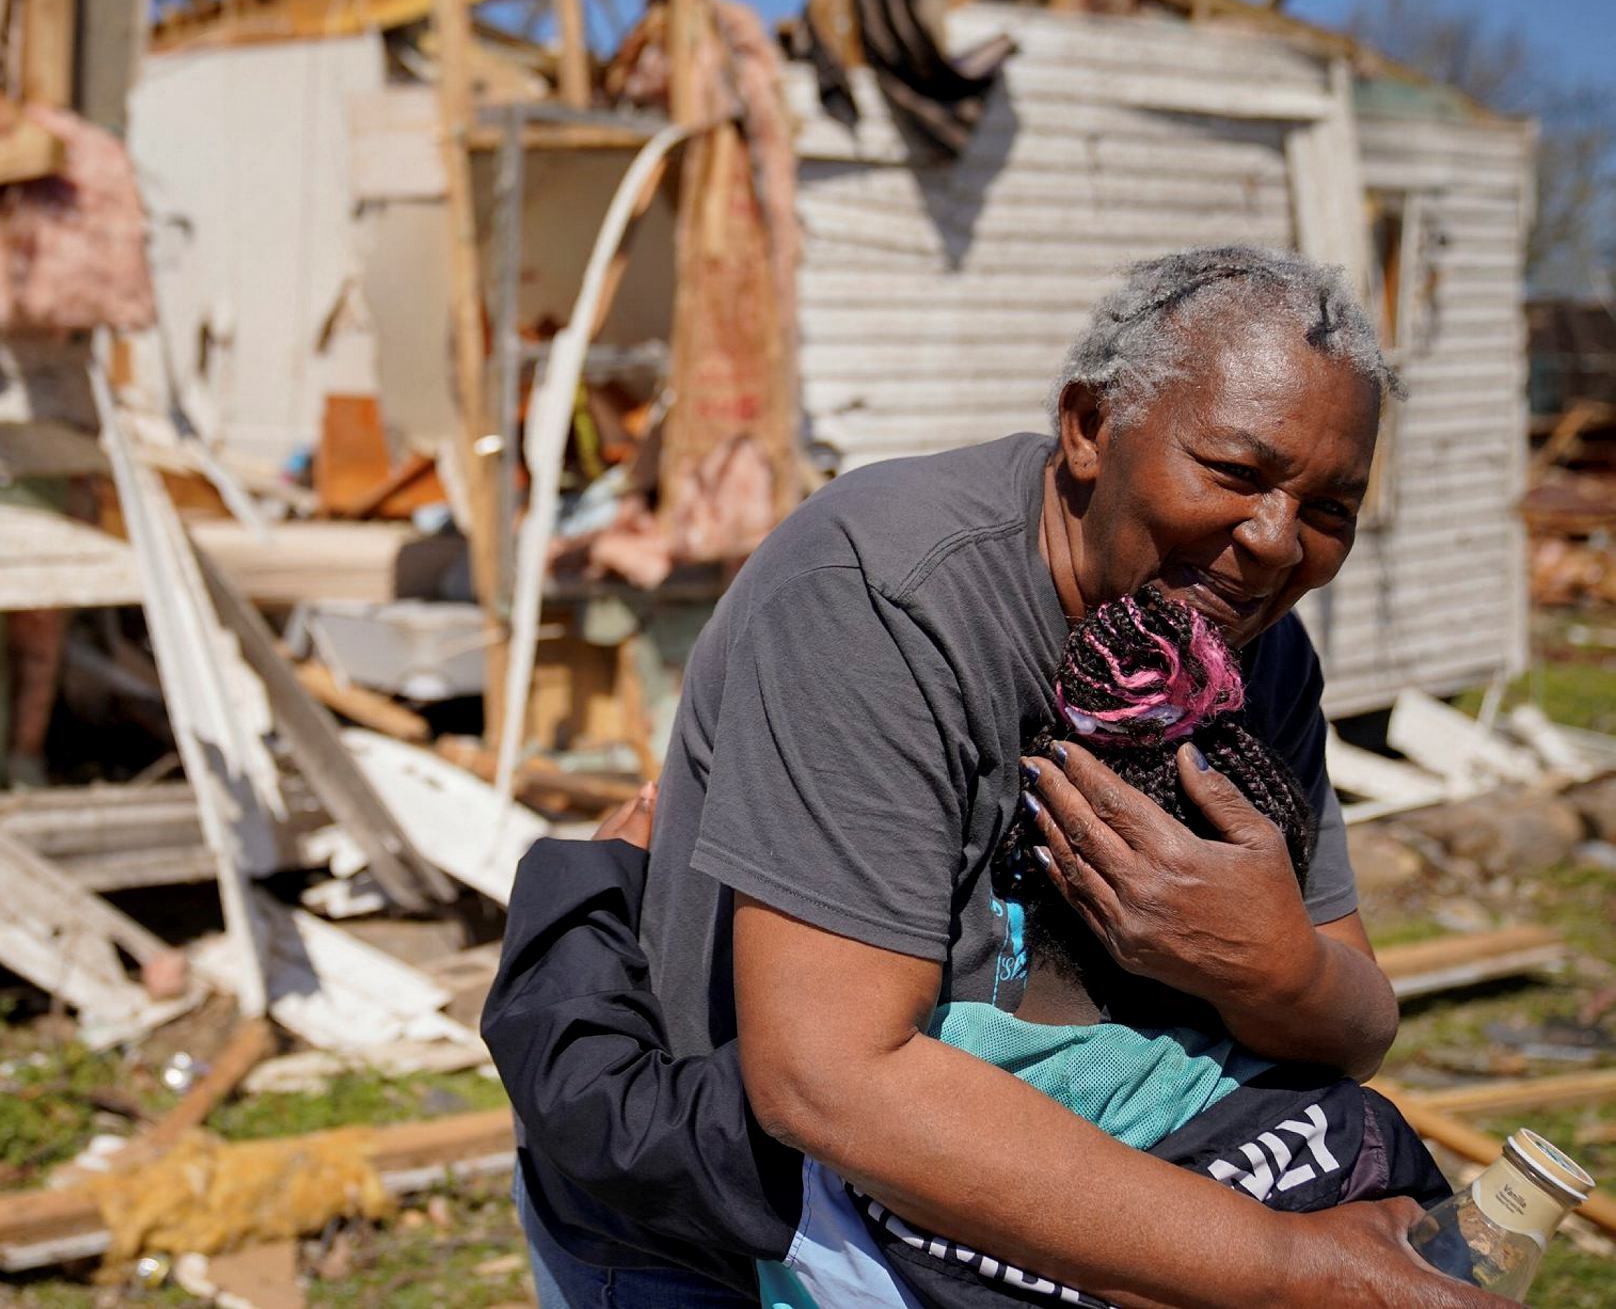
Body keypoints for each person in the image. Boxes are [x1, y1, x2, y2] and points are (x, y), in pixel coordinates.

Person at [497, 245, 1503, 1307]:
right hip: (740, 1243)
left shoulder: (1248, 649)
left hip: (1039, 1222)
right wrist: (1287, 1269)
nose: (1272, 543)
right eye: (1234, 473)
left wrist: (1267, 966)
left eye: (1328, 511)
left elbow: (1355, 1027)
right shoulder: (881, 596)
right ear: (1085, 430)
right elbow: (831, 1081)